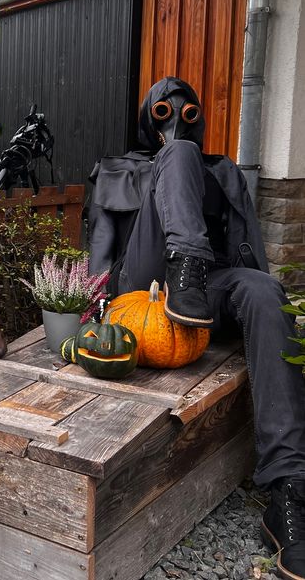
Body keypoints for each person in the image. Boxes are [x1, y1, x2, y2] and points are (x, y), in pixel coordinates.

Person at [87, 76, 305, 580]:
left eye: (188, 112)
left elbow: (250, 249)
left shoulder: (223, 171)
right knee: (179, 156)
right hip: (144, 287)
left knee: (263, 289)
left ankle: (289, 489)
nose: (177, 118)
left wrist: (256, 303)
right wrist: (91, 308)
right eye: (164, 111)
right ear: (148, 119)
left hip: (201, 291)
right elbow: (100, 247)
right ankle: (187, 256)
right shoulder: (121, 168)